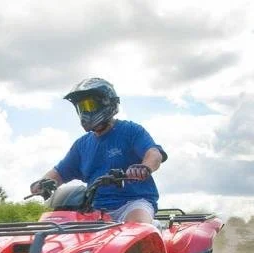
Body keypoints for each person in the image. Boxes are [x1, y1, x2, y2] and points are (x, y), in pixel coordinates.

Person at [31, 77, 168, 223]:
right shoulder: (82, 145)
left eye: (89, 105)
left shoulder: (131, 130)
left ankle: (152, 227)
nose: (85, 112)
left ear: (107, 103)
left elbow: (154, 154)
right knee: (51, 230)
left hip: (132, 204)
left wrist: (144, 167)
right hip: (94, 209)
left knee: (138, 228)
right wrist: (42, 183)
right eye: (81, 108)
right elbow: (59, 172)